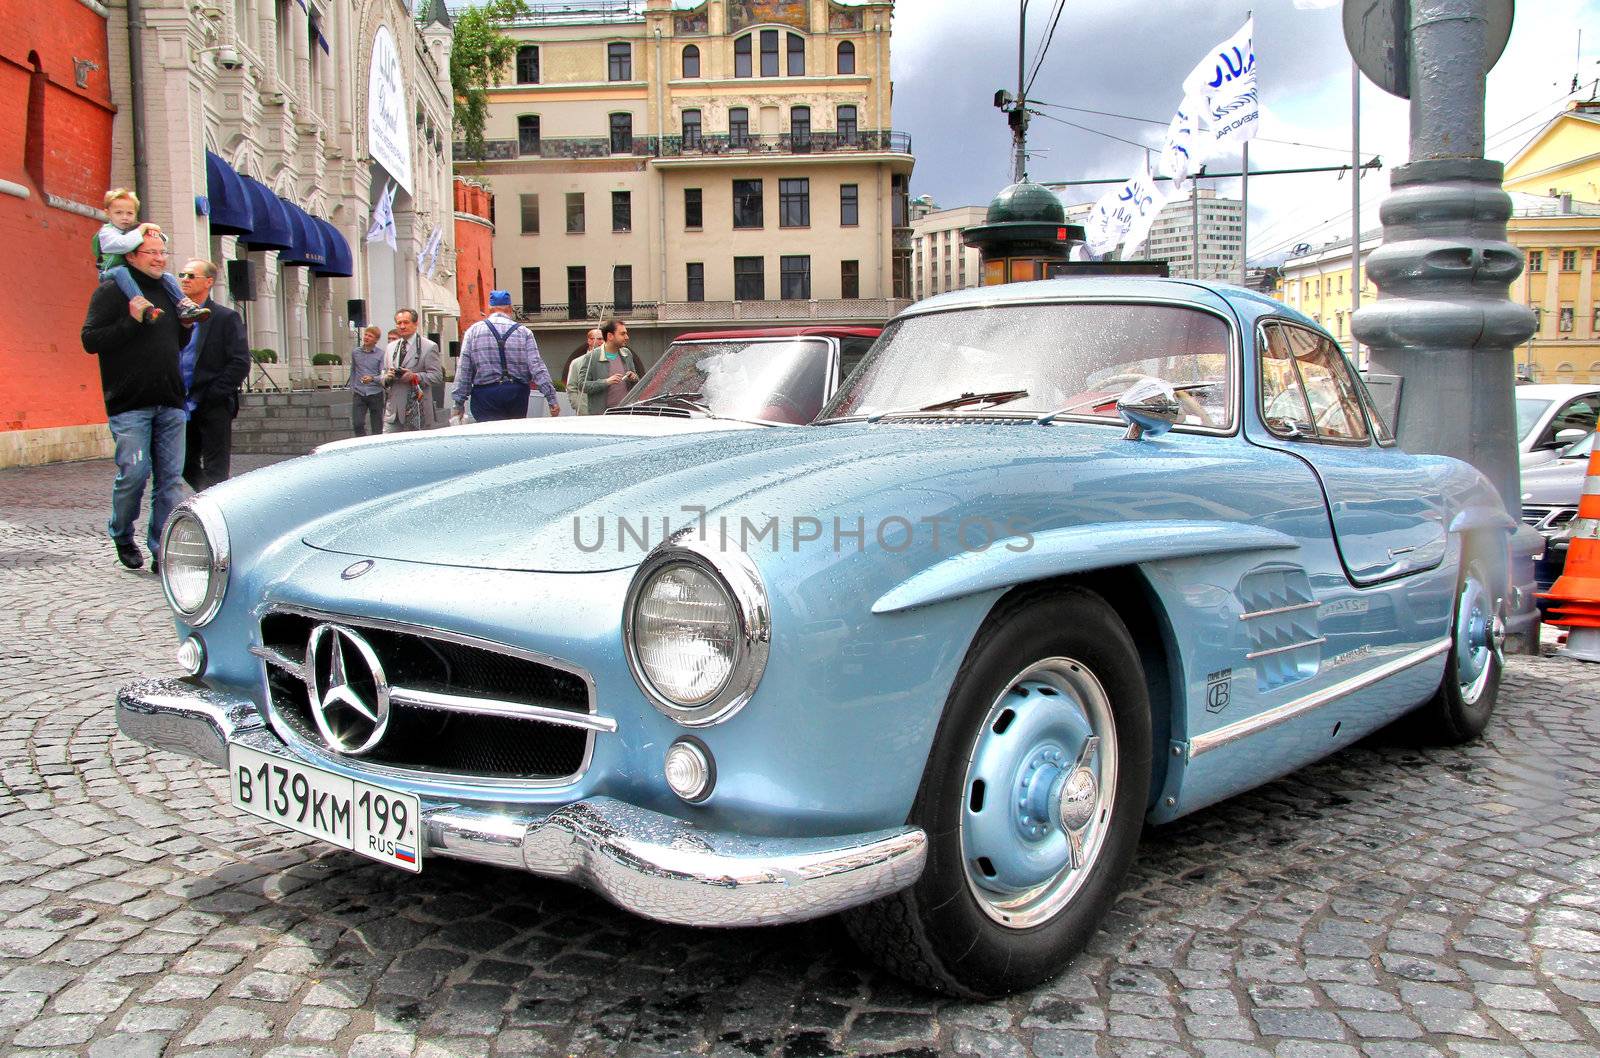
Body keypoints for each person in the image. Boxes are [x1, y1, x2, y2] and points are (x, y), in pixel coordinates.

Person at [80, 230, 188, 572]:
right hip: (130, 403)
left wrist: (185, 327)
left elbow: (173, 341)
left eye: (162, 252)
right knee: (135, 474)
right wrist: (130, 320)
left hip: (170, 399)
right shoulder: (113, 291)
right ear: (130, 256)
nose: (159, 258)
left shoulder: (171, 291)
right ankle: (122, 533)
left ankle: (160, 548)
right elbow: (90, 340)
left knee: (170, 481)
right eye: (150, 253)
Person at [177, 259, 250, 490]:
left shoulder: (225, 317)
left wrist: (214, 393)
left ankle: (214, 508)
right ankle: (206, 494)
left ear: (208, 282)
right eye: (183, 275)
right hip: (181, 404)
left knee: (216, 468)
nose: (185, 280)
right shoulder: (175, 317)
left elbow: (240, 361)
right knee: (181, 462)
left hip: (213, 403)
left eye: (191, 276)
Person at [95, 189, 209, 324]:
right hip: (109, 272)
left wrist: (154, 232)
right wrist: (143, 229)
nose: (125, 217)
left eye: (129, 213)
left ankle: (184, 306)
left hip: (128, 270)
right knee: (121, 271)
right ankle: (144, 308)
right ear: (108, 213)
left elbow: (162, 239)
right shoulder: (107, 233)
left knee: (167, 276)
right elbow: (124, 244)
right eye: (119, 213)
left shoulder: (133, 230)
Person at [451, 290, 561, 423]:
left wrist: (458, 403)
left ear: (489, 309)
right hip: (516, 394)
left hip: (485, 394)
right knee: (513, 437)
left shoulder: (473, 331)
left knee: (488, 437)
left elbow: (464, 370)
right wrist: (551, 398)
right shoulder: (524, 332)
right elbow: (537, 367)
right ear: (509, 308)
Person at [382, 309, 441, 432]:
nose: (402, 326)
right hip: (393, 412)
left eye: (406, 322)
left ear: (415, 324)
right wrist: (387, 377)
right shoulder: (390, 347)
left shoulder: (429, 347)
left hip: (418, 410)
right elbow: (383, 373)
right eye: (399, 323)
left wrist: (415, 376)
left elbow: (436, 376)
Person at [570, 319, 642, 415]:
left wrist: (633, 377)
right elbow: (582, 386)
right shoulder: (591, 357)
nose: (627, 337)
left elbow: (637, 382)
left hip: (625, 414)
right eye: (622, 334)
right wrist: (606, 382)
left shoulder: (627, 354)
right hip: (602, 418)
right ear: (610, 336)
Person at [348, 326, 386, 436]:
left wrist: (372, 378)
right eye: (366, 335)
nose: (366, 337)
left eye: (370, 336)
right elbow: (353, 370)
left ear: (376, 340)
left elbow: (383, 374)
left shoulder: (381, 354)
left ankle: (376, 448)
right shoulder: (356, 352)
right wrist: (353, 387)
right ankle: (362, 444)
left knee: (377, 426)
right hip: (359, 393)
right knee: (358, 423)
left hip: (375, 393)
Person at [564, 329, 603, 415]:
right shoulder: (576, 362)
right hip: (584, 413)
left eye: (604, 339)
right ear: (589, 340)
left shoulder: (610, 361)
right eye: (599, 339)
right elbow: (571, 387)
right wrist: (579, 407)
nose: (602, 342)